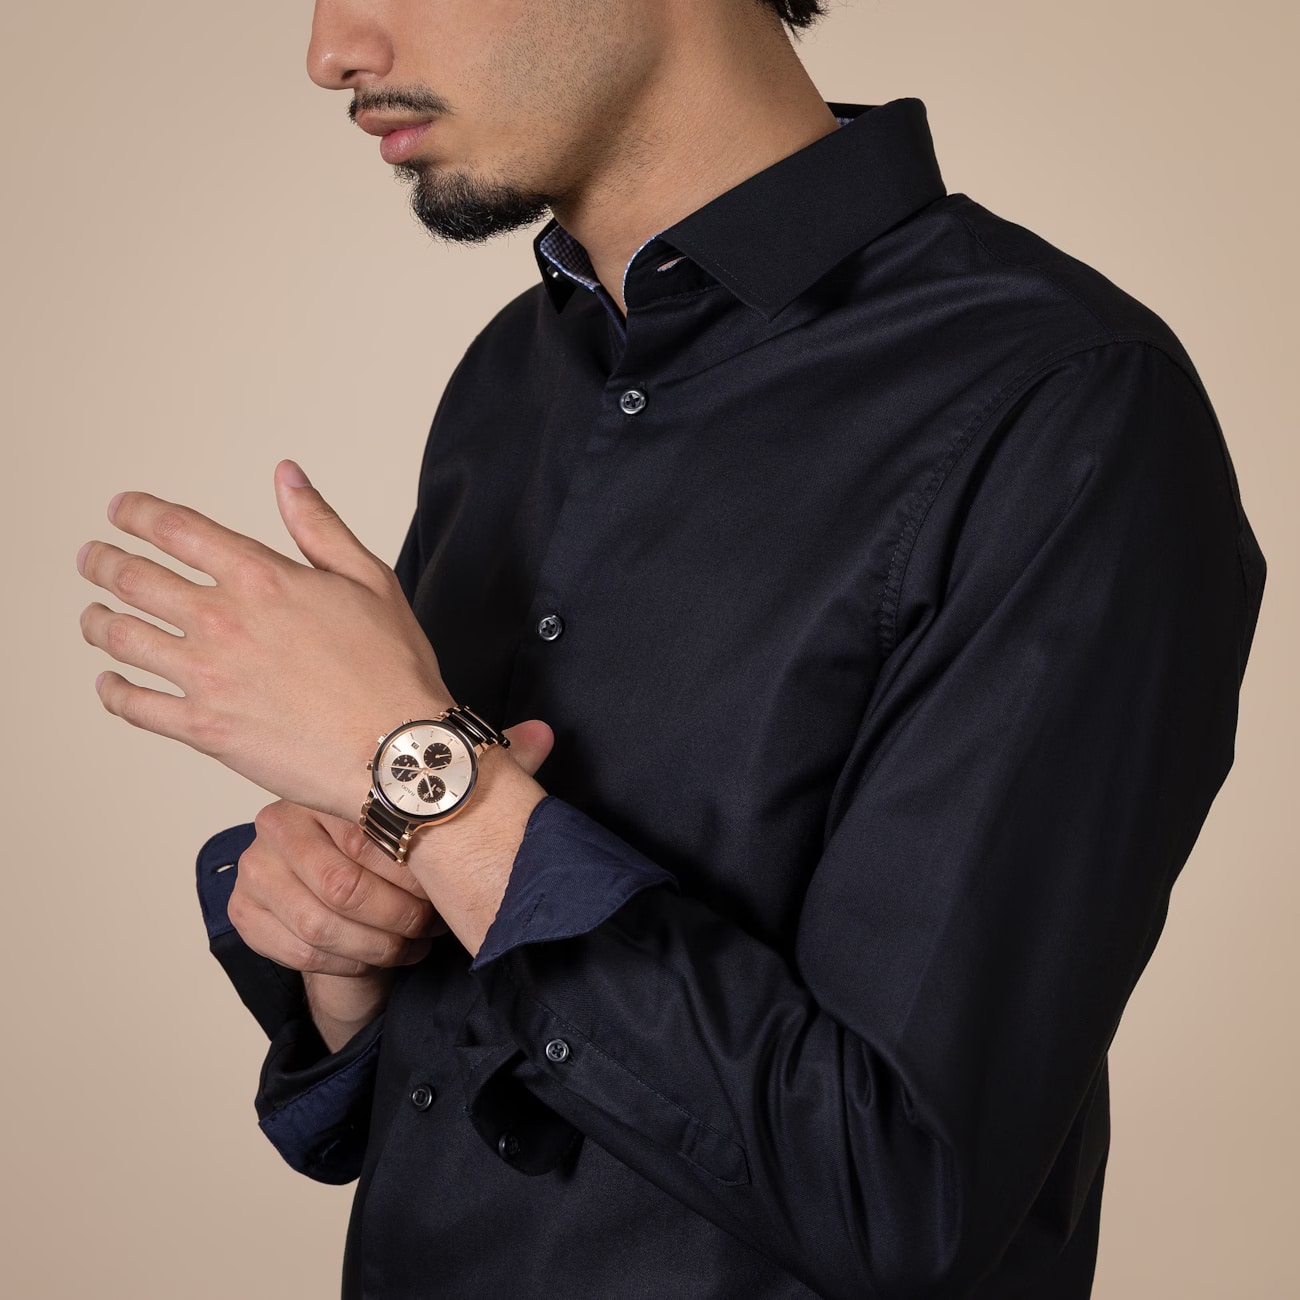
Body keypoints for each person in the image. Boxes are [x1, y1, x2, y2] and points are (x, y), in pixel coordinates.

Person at [75, 0, 1267, 1296]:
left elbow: (901, 1193)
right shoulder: (510, 375)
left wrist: (424, 772)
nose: (332, 52)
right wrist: (355, 948)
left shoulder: (1068, 411)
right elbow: (451, 1083)